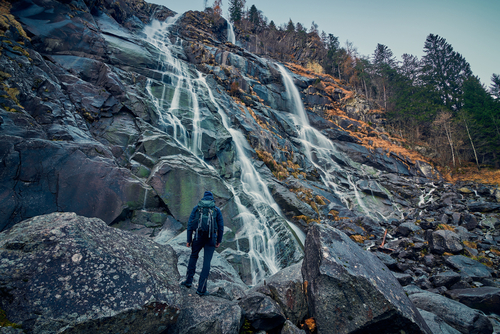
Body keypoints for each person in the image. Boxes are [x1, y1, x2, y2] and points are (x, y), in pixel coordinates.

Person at [181, 191, 224, 296]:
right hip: (211, 238)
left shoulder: (197, 208)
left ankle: (188, 281)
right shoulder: (216, 210)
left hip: (198, 237)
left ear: (203, 199)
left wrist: (188, 240)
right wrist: (218, 241)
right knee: (206, 262)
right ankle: (201, 288)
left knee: (194, 256)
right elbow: (221, 227)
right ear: (212, 200)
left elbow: (190, 225)